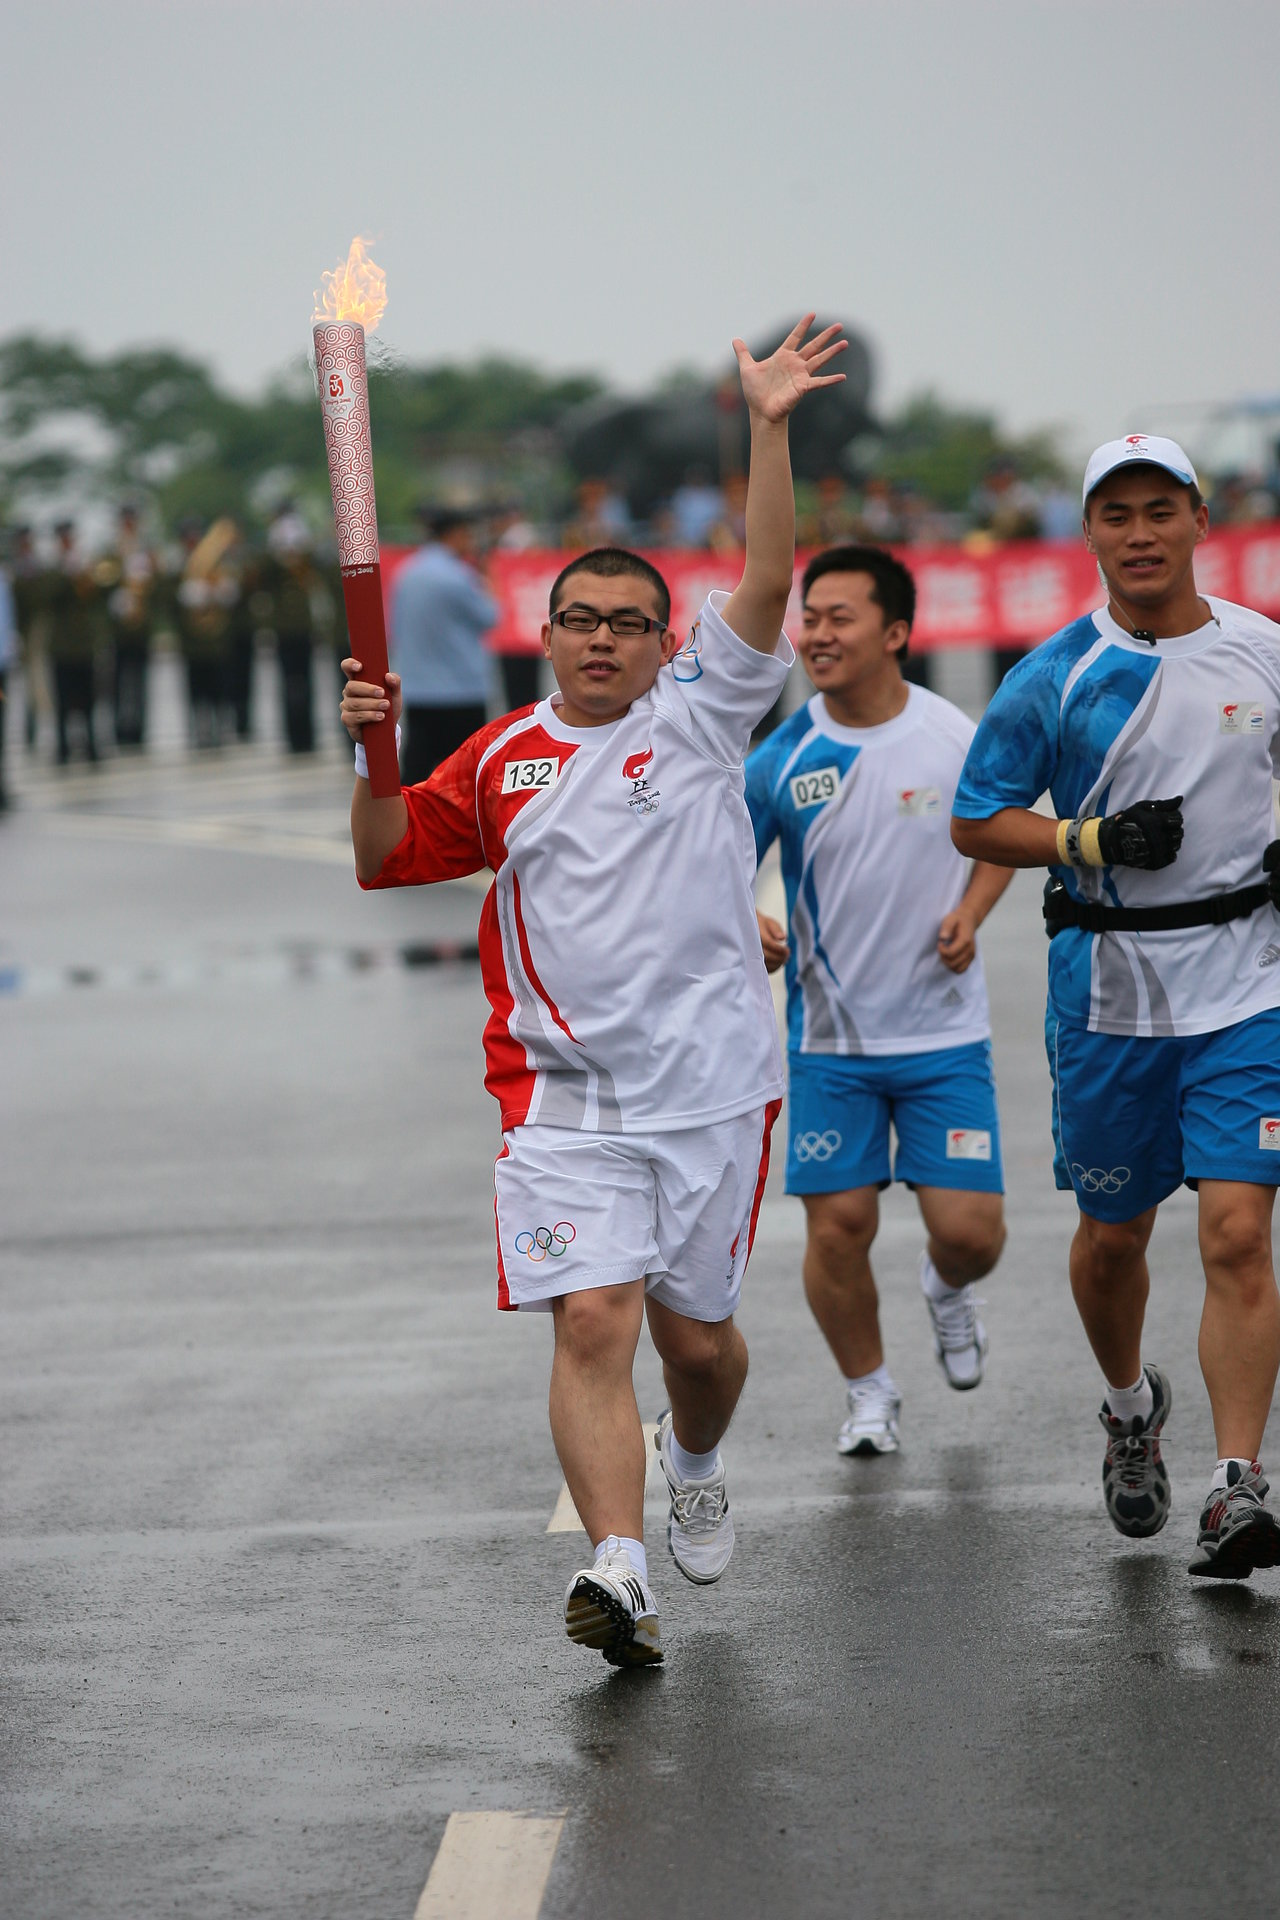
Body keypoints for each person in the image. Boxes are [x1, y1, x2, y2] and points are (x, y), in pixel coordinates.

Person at [340, 317, 847, 1667]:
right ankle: (618, 1572)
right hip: (561, 1097)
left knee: (701, 1348)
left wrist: (770, 426)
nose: (605, 642)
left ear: (665, 641)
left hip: (709, 1090)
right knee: (592, 1320)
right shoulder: (501, 758)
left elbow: (766, 570)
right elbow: (387, 859)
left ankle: (698, 1460)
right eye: (582, 621)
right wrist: (370, 752)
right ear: (547, 632)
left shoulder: (699, 718)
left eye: (632, 624)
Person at [951, 434, 1280, 1582]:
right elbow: (977, 815)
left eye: (1158, 510)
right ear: (1086, 534)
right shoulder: (1053, 675)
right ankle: (1128, 1406)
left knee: (1238, 1230)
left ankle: (1235, 1485)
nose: (1137, 533)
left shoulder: (1261, 652)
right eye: (1113, 515)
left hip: (1248, 980)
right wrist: (1082, 839)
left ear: (1198, 519)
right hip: (1108, 994)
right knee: (1111, 1244)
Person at [746, 545, 1012, 1455]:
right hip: (830, 1041)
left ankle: (947, 1291)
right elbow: (712, 872)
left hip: (943, 1034)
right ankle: (868, 1394)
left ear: (895, 633)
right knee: (841, 1225)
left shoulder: (952, 736)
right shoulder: (783, 758)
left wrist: (972, 912)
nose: (816, 633)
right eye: (808, 617)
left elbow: (999, 836)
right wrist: (749, 921)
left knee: (972, 1235)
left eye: (838, 617)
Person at [389, 508, 499, 785]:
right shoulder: (457, 575)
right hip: (461, 689)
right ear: (455, 534)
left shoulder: (408, 571)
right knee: (465, 775)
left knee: (417, 771)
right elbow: (490, 616)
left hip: (420, 687)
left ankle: (408, 826)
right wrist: (487, 579)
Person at [46, 521, 106, 765]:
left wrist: (84, 571)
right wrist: (65, 572)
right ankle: (62, 747)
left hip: (84, 644)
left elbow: (99, 596)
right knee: (62, 701)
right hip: (61, 645)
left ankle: (92, 744)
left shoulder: (87, 566)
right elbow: (46, 597)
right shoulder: (51, 570)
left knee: (89, 698)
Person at [101, 502, 158, 748]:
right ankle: (120, 727)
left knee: (140, 680)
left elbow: (158, 585)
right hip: (118, 629)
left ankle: (139, 729)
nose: (129, 525)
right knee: (119, 680)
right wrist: (114, 598)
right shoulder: (111, 553)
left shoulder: (146, 552)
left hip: (141, 626)